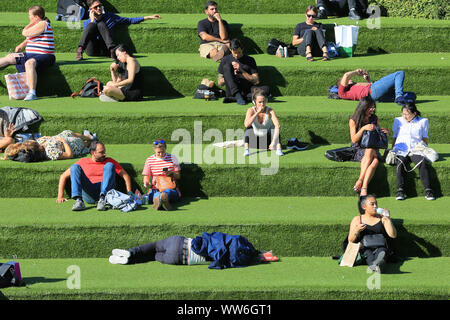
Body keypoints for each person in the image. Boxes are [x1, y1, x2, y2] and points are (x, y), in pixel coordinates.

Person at [108, 231, 279, 269]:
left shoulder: (232, 240)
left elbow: (210, 235)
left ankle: (130, 252)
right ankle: (128, 260)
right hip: (182, 260)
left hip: (181, 243)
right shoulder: (238, 260)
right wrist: (262, 258)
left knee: (152, 246)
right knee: (153, 256)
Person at [56, 141, 133, 211]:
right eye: (101, 152)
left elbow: (125, 175)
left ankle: (103, 199)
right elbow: (63, 176)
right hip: (89, 193)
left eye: (104, 152)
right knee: (74, 167)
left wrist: (129, 193)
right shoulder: (83, 162)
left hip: (106, 193)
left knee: (109, 165)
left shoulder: (109, 160)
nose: (104, 154)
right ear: (93, 152)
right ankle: (79, 201)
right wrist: (60, 196)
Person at [0, 6, 55, 101]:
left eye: (30, 15)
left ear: (36, 17)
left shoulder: (43, 24)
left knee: (29, 63)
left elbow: (25, 33)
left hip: (45, 55)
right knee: (10, 57)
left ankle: (32, 93)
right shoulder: (37, 25)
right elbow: (30, 38)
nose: (29, 17)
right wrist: (21, 45)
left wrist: (29, 25)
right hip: (29, 54)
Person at [76, 0, 161, 60]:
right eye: (95, 7)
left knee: (101, 24)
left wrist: (148, 17)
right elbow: (88, 36)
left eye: (100, 6)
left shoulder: (110, 17)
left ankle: (112, 50)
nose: (99, 8)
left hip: (106, 48)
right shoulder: (87, 22)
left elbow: (129, 20)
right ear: (90, 10)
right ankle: (80, 50)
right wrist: (92, 21)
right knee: (93, 25)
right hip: (92, 50)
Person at [392, 103, 435, 201]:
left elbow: (425, 137)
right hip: (401, 148)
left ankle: (428, 190)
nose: (405, 116)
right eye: (403, 114)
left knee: (422, 163)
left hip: (416, 148)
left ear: (414, 113)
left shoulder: (423, 121)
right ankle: (400, 190)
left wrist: (425, 149)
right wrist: (392, 149)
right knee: (400, 163)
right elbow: (395, 136)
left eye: (407, 114)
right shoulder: (398, 120)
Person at [349, 96, 388, 196]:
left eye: (373, 107)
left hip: (373, 147)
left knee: (373, 156)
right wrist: (363, 129)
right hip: (359, 148)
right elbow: (353, 139)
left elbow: (377, 135)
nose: (373, 109)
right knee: (374, 160)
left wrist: (384, 132)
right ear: (363, 107)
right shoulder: (353, 120)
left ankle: (361, 183)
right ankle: (363, 186)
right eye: (370, 107)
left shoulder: (374, 118)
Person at [347, 194, 397, 273]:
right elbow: (350, 240)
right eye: (372, 204)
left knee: (381, 253)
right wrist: (356, 230)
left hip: (381, 246)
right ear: (364, 207)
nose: (375, 206)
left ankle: (378, 264)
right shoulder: (357, 219)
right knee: (368, 255)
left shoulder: (382, 219)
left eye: (376, 203)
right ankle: (376, 266)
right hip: (365, 248)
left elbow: (393, 235)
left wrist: (388, 219)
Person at [217, 38, 269, 105]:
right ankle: (237, 96)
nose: (236, 55)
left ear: (242, 49)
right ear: (230, 50)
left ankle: (235, 98)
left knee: (266, 90)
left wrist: (242, 71)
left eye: (239, 52)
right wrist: (232, 76)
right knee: (227, 67)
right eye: (234, 53)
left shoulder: (250, 60)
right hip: (232, 90)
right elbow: (220, 82)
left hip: (247, 89)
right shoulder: (225, 60)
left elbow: (256, 81)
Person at [142, 139, 181, 211]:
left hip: (170, 187)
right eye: (158, 152)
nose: (160, 154)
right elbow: (146, 176)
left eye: (162, 152)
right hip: (155, 188)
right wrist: (146, 182)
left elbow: (178, 176)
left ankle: (161, 199)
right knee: (156, 193)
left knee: (167, 192)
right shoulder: (149, 160)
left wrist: (172, 174)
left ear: (166, 148)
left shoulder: (173, 158)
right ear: (154, 150)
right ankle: (161, 201)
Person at [243, 90, 283, 156]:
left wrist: (273, 143)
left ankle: (279, 149)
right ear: (254, 102)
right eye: (259, 102)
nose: (262, 104)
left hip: (267, 141)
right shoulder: (250, 110)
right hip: (254, 141)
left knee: (274, 127)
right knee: (248, 128)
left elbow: (277, 125)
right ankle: (246, 150)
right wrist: (257, 113)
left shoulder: (270, 110)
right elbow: (246, 124)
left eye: (264, 101)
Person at [338, 69, 408, 105]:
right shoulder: (342, 93)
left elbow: (371, 88)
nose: (350, 80)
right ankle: (399, 96)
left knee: (412, 96)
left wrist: (368, 80)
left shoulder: (354, 86)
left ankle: (399, 97)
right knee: (399, 73)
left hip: (375, 95)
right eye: (347, 80)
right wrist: (356, 72)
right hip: (373, 91)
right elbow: (346, 75)